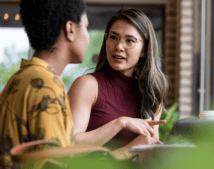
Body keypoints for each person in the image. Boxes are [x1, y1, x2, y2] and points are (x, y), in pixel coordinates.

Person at [68, 8, 169, 160]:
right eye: (113, 37)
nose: (119, 46)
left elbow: (147, 150)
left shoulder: (153, 93)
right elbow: (69, 146)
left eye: (129, 40)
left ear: (144, 49)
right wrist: (120, 123)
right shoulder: (87, 85)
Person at [0, 0, 88, 168]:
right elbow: (57, 164)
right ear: (70, 29)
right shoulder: (45, 86)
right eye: (85, 26)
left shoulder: (22, 77)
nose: (87, 36)